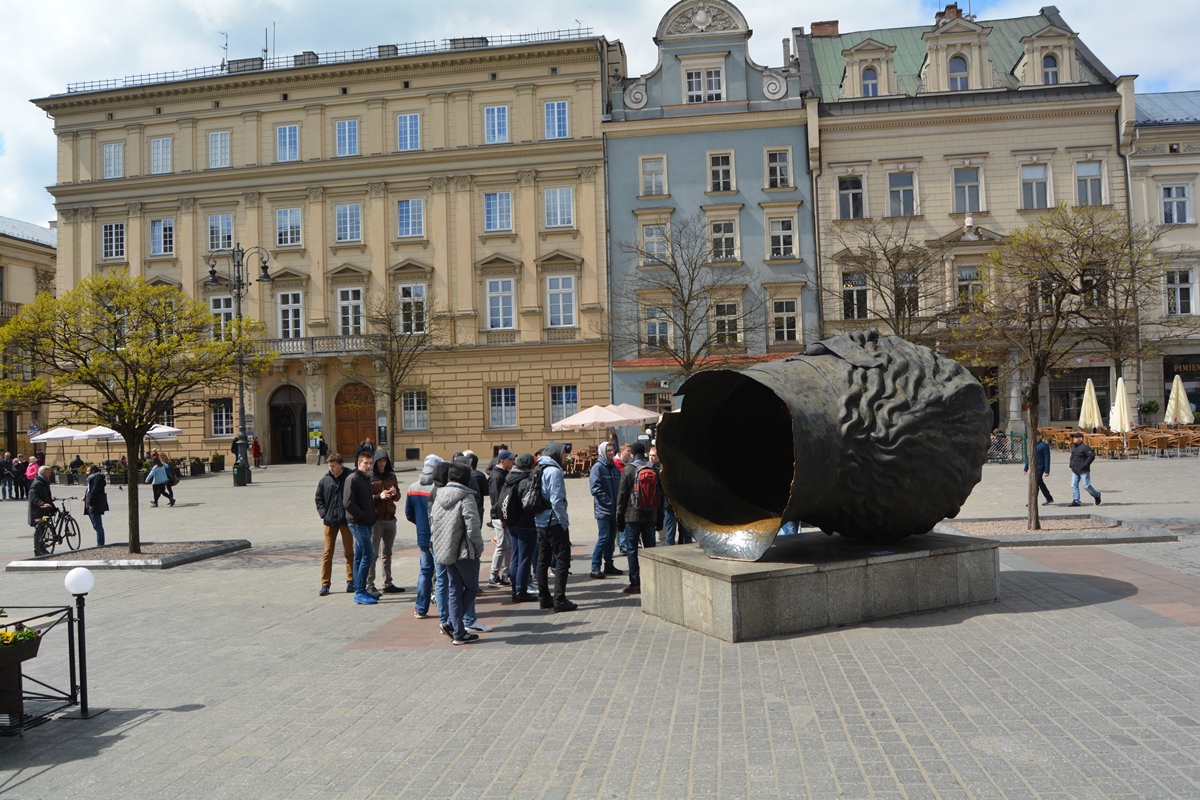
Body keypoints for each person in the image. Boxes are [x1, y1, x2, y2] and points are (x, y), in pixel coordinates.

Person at [431, 460, 484, 645]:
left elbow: (434, 523)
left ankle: (458, 632)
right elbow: (473, 528)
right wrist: (479, 548)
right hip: (464, 552)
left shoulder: (438, 495)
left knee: (454, 589)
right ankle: (453, 625)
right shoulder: (466, 497)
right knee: (471, 588)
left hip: (445, 551)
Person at [615, 441, 664, 595]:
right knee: (650, 550)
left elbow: (622, 496)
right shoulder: (654, 469)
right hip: (650, 516)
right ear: (645, 452)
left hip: (632, 516)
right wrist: (659, 518)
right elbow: (661, 496)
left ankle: (635, 583)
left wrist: (619, 518)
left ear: (632, 454)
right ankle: (651, 582)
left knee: (632, 550)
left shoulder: (628, 470)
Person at [535, 441, 577, 612]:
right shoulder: (554, 472)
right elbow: (557, 500)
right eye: (564, 455)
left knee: (542, 559)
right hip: (554, 522)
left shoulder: (538, 468)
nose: (565, 458)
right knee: (562, 559)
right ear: (556, 455)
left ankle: (544, 597)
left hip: (539, 521)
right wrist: (564, 522)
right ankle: (560, 599)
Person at [405, 455, 442, 618]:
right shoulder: (440, 488)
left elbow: (408, 513)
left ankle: (420, 608)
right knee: (440, 573)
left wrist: (421, 524)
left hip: (422, 536)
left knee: (425, 571)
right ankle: (444, 610)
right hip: (439, 536)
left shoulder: (412, 487)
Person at [366, 449, 404, 598]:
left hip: (390, 518)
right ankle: (370, 584)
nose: (382, 464)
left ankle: (387, 583)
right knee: (373, 554)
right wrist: (378, 496)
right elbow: (365, 498)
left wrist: (395, 494)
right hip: (376, 520)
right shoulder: (369, 477)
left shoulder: (391, 476)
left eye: (384, 461)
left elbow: (398, 497)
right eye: (379, 461)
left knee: (387, 553)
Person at [315, 453, 354, 596]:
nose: (331, 469)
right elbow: (319, 498)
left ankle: (351, 581)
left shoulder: (349, 478)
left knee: (349, 552)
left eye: (333, 466)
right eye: (329, 466)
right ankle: (325, 584)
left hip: (345, 521)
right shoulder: (325, 480)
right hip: (330, 521)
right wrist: (323, 513)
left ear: (340, 465)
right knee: (327, 553)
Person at [343, 450, 379, 605]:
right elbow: (348, 503)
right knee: (368, 555)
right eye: (366, 463)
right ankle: (359, 591)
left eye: (370, 463)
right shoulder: (353, 479)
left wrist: (372, 515)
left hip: (367, 522)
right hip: (357, 523)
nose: (369, 466)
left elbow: (367, 501)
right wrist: (363, 516)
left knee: (359, 557)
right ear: (359, 463)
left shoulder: (366, 478)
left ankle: (360, 589)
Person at [504, 454, 539, 603]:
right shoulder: (526, 480)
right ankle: (521, 590)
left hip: (512, 522)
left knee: (516, 557)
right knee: (525, 558)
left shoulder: (510, 478)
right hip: (526, 524)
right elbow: (529, 503)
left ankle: (515, 589)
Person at [588, 441, 623, 579]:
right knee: (603, 537)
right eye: (608, 450)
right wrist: (609, 502)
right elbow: (595, 488)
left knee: (611, 539)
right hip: (603, 510)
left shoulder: (614, 468)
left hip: (614, 510)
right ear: (602, 452)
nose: (611, 452)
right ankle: (595, 567)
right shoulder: (597, 468)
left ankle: (609, 565)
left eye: (612, 450)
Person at [487, 449, 515, 588]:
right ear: (502, 460)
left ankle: (505, 573)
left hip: (504, 515)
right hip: (499, 516)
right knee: (502, 545)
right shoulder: (497, 476)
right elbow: (497, 498)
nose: (513, 462)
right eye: (510, 460)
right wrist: (501, 516)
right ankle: (493, 576)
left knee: (507, 546)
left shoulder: (503, 473)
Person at [1068, 431, 1101, 507]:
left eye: (1076, 437)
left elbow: (1091, 456)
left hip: (1083, 470)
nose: (1074, 439)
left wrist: (1085, 465)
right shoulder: (1074, 447)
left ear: (1081, 438)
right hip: (1075, 470)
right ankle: (1076, 501)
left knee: (1086, 486)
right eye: (1073, 437)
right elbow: (1072, 457)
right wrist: (1071, 464)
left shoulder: (1085, 447)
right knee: (1074, 485)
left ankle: (1097, 495)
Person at [29, 465, 55, 550]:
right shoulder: (37, 483)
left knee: (43, 529)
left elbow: (47, 496)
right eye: (48, 472)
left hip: (44, 510)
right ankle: (38, 549)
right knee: (40, 530)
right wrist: (42, 503)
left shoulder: (44, 482)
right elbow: (32, 496)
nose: (50, 474)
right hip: (38, 511)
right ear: (43, 473)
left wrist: (52, 507)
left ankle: (41, 547)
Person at [1024, 431, 1054, 506]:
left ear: (1039, 436)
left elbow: (1047, 458)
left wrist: (1047, 470)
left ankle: (1032, 501)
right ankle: (1049, 498)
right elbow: (1029, 457)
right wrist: (1026, 468)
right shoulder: (1032, 445)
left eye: (1035, 436)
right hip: (1033, 467)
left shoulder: (1044, 445)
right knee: (1040, 483)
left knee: (1035, 483)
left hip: (1040, 467)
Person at [82, 464, 108, 547]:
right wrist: (85, 497)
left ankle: (100, 544)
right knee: (96, 525)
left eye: (88, 471)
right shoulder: (92, 479)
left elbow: (94, 491)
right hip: (91, 502)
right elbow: (89, 490)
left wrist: (90, 502)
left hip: (94, 504)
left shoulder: (97, 479)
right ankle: (100, 543)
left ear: (93, 471)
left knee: (98, 526)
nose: (86, 473)